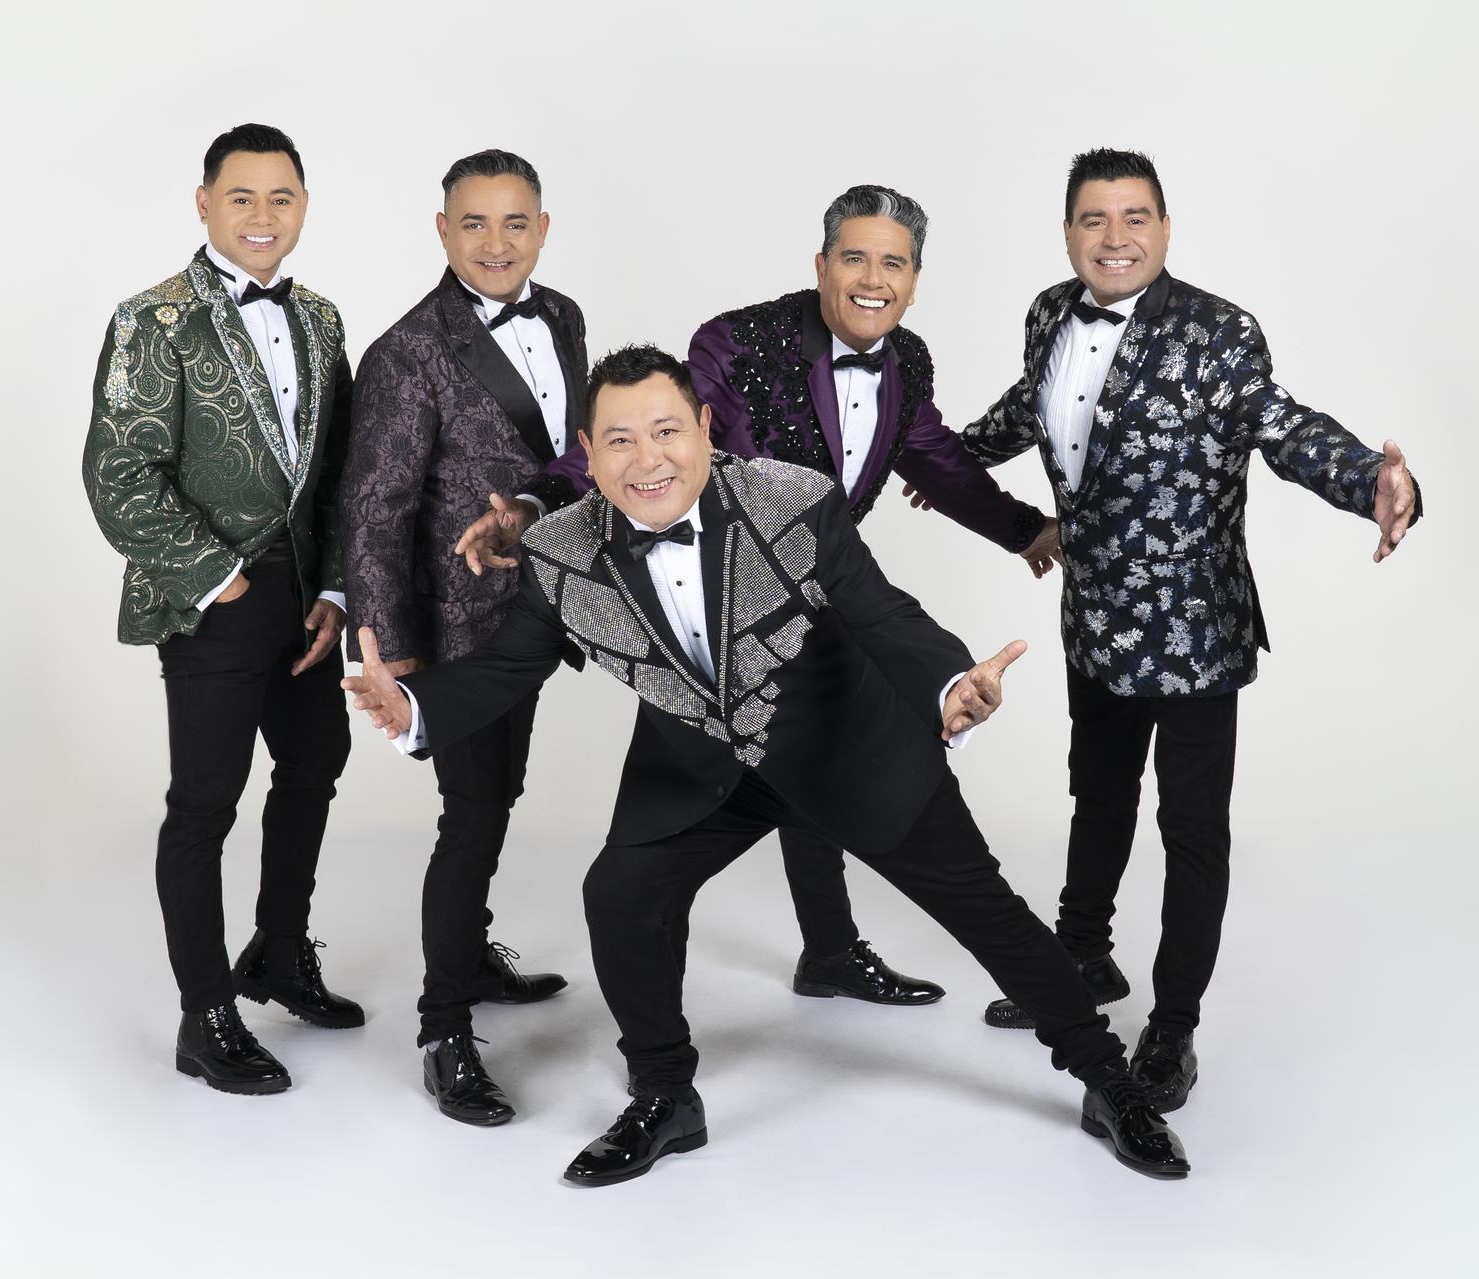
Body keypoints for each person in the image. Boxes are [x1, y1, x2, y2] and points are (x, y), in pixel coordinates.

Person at [346, 345, 1192, 1184]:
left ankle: (1107, 1081)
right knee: (620, 894)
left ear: (706, 428)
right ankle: (664, 1093)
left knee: (990, 914)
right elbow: (506, 668)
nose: (648, 459)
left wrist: (949, 685)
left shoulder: (793, 499)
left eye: (667, 431)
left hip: (846, 747)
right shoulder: (559, 551)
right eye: (621, 440)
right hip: (700, 768)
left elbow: (884, 614)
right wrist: (415, 708)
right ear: (588, 453)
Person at [454, 186, 1063, 1008]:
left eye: (892, 263)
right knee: (720, 800)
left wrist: (1025, 529)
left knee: (833, 753)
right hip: (713, 606)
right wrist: (536, 505)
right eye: (854, 258)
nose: (872, 278)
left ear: (915, 280)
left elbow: (934, 457)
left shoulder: (907, 361)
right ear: (821, 265)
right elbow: (643, 442)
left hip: (827, 593)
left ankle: (836, 951)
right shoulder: (739, 343)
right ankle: (745, 981)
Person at [946, 148, 1421, 1115]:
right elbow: (1030, 406)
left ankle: (1173, 1026)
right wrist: (938, 458)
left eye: (1135, 217)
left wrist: (1370, 481)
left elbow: (1283, 427)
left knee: (1192, 831)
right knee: (1097, 796)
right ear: (1068, 233)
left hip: (1196, 633)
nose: (1115, 237)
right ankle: (1081, 957)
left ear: (1165, 228)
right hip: (1094, 621)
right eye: (1094, 218)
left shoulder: (1218, 332)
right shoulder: (1048, 313)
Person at [82, 123, 360, 1095]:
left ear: (304, 206)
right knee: (205, 803)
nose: (262, 215)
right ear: (205, 204)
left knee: (317, 760)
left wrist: (335, 588)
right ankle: (204, 1015)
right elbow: (119, 473)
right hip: (212, 597)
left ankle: (279, 951)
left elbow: (339, 471)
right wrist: (219, 579)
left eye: (281, 197)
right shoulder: (151, 320)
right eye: (241, 197)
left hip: (306, 594)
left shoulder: (321, 318)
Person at [339, 149, 579, 1126]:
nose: (495, 242)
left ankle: (472, 956)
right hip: (454, 623)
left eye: (515, 222)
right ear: (443, 231)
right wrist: (390, 647)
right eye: (473, 223)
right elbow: (373, 508)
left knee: (497, 793)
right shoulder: (406, 351)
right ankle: (444, 1029)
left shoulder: (562, 317)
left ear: (542, 230)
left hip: (540, 606)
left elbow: (568, 459)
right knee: (472, 813)